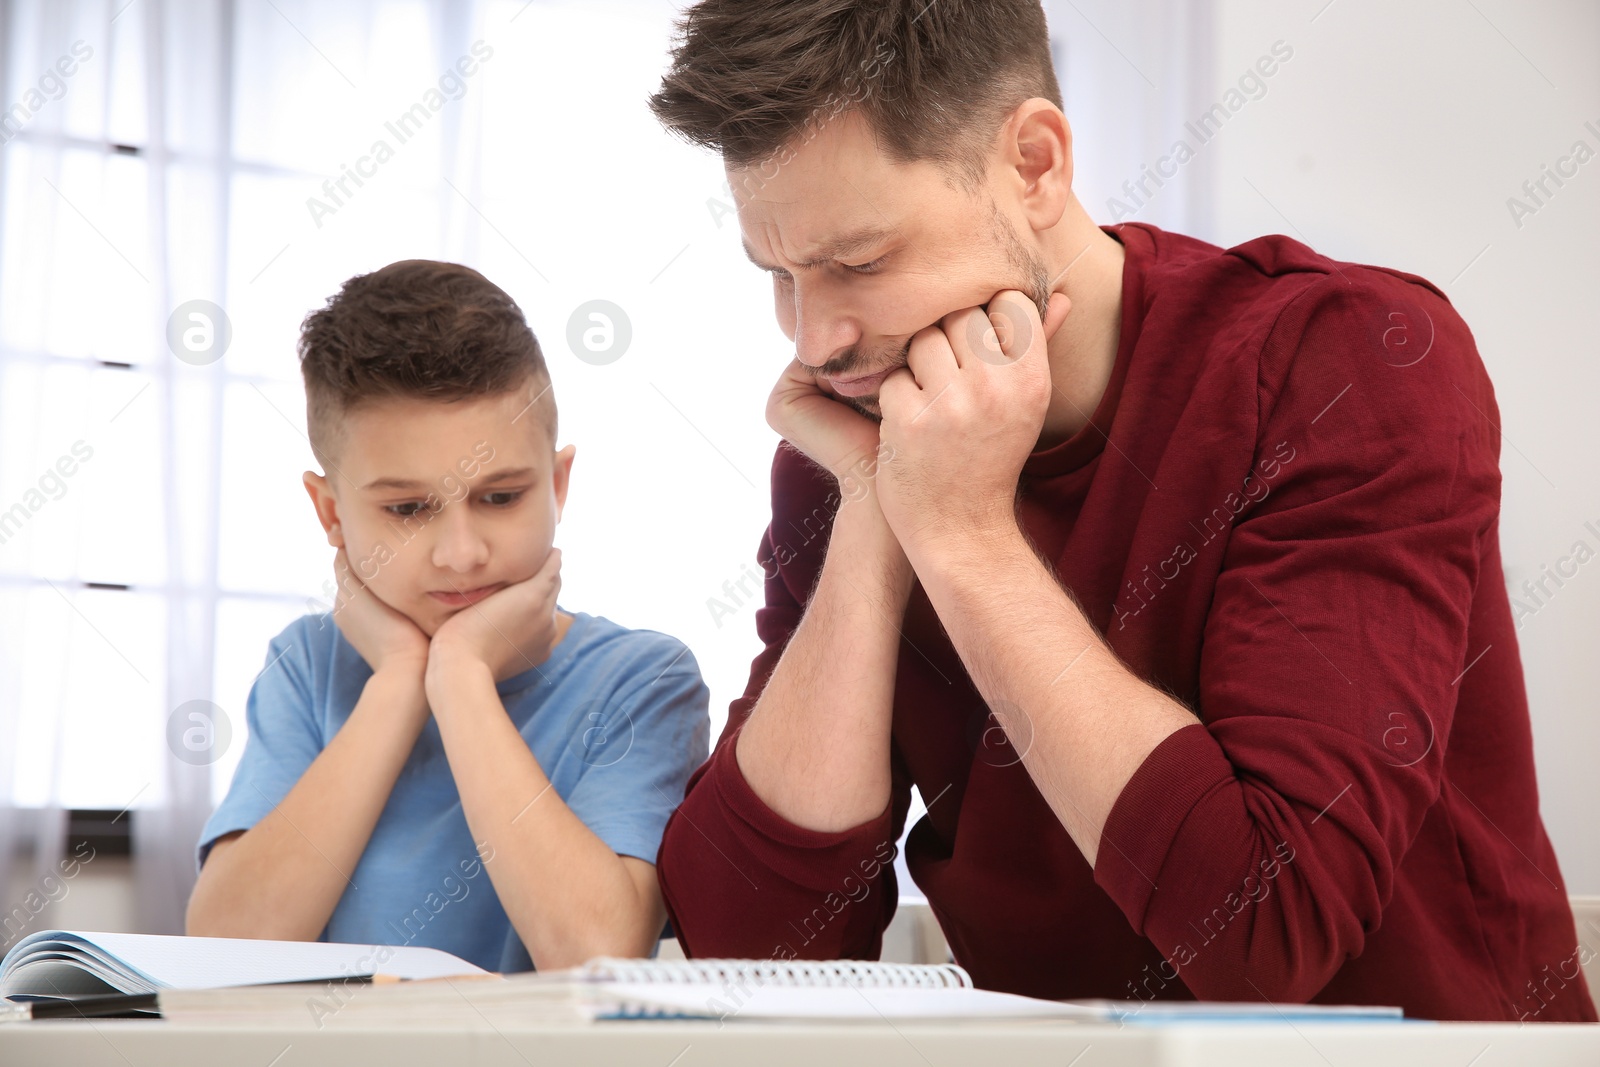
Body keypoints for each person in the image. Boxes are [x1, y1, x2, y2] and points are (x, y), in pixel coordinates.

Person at [645, 0, 1595, 1022]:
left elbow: (1266, 934)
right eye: (779, 275)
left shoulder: (1344, 361)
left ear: (1035, 164)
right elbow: (749, 960)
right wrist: (879, 505)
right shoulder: (861, 434)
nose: (816, 337)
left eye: (862, 261)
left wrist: (962, 535)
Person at [187, 260, 709, 973]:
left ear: (558, 485)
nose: (462, 554)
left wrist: (460, 677)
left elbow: (594, 953)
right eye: (407, 509)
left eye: (500, 497)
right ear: (331, 513)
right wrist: (400, 681)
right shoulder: (308, 666)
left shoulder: (643, 679)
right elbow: (221, 951)